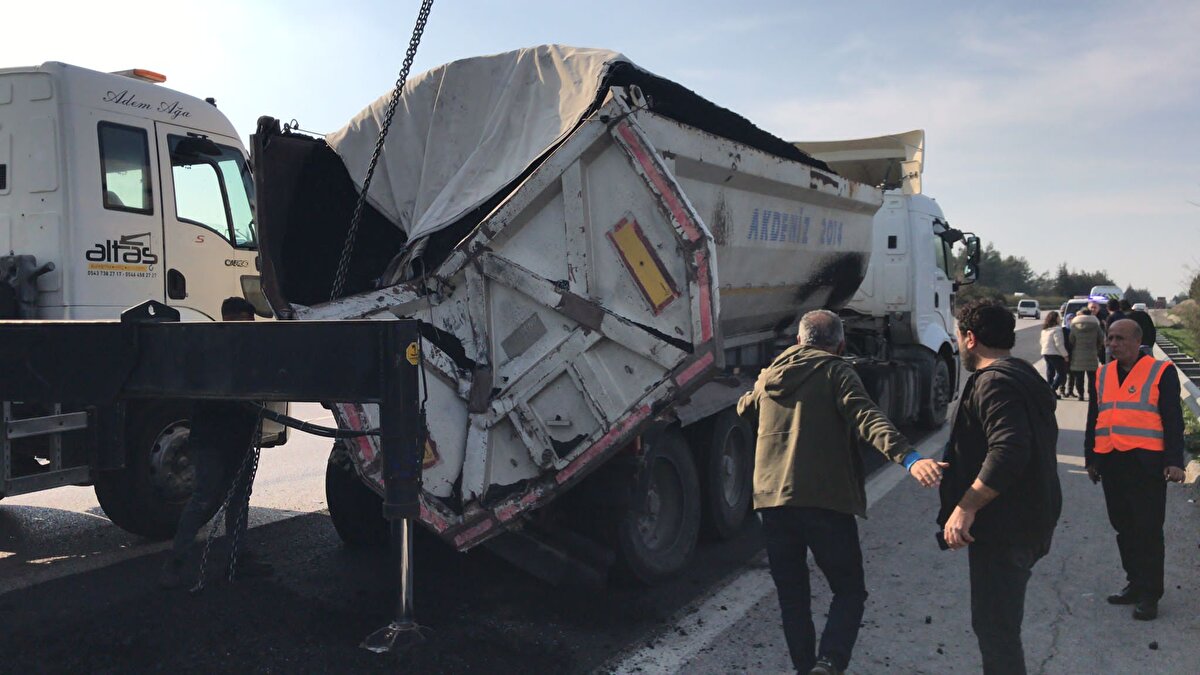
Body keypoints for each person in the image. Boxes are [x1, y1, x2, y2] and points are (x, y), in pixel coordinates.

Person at [737, 309, 945, 675]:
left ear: (799, 340)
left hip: (772, 502)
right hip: (824, 502)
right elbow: (867, 417)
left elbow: (744, 409)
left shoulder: (770, 376)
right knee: (849, 591)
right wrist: (909, 458)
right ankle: (829, 662)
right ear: (841, 343)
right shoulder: (836, 371)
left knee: (792, 597)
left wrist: (759, 387)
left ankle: (806, 668)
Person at [940, 300, 1061, 675]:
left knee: (996, 629)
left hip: (1007, 526)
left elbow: (1009, 448)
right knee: (999, 626)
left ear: (970, 338)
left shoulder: (993, 382)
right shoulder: (1023, 374)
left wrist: (967, 505)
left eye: (959, 337)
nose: (959, 344)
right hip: (1030, 518)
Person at [160, 297, 272, 589]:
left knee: (233, 500)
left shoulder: (233, 351)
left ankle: (233, 560)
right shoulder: (214, 351)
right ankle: (177, 562)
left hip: (235, 438)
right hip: (214, 439)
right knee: (205, 499)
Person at [1084, 319, 1187, 621]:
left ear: (1137, 341)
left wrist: (1174, 461)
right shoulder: (1102, 374)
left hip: (1147, 465)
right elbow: (1095, 417)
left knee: (1148, 530)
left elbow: (1172, 418)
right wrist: (1091, 457)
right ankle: (1135, 582)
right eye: (1110, 338)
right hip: (1112, 461)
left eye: (1120, 339)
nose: (1113, 344)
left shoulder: (1160, 372)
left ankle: (1150, 595)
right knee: (1124, 527)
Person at [1068, 308, 1105, 401]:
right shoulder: (1096, 325)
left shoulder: (1074, 325)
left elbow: (1071, 340)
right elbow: (1101, 338)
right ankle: (1091, 393)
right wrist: (1097, 347)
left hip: (1078, 354)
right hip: (1092, 353)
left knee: (1079, 378)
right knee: (1092, 377)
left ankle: (1081, 394)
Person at [1039, 310, 1069, 398]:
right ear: (1055, 319)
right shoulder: (1057, 329)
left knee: (1050, 372)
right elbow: (1059, 344)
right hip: (1054, 353)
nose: (1060, 319)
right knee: (1062, 373)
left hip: (1045, 352)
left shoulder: (1044, 330)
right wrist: (1065, 355)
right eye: (1059, 317)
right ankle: (1052, 390)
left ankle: (1050, 392)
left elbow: (1041, 342)